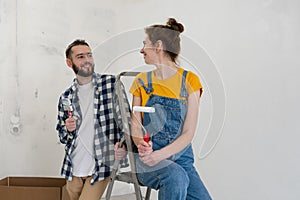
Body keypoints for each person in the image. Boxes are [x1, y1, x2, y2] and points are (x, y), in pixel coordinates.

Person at [129, 18, 212, 199]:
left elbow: (188, 133)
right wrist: (140, 145)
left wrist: (161, 155)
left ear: (158, 46)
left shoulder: (190, 81)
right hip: (147, 161)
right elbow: (135, 125)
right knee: (176, 178)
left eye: (145, 44)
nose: (141, 50)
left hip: (181, 159)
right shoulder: (142, 82)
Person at [56, 39, 127, 200]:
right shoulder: (66, 97)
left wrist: (123, 145)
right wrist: (68, 128)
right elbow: (62, 136)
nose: (87, 60)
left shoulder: (111, 84)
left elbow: (126, 121)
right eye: (80, 56)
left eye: (89, 55)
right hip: (73, 167)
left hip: (102, 164)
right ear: (69, 62)